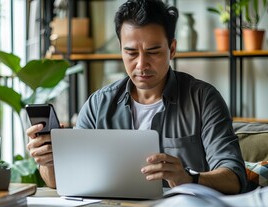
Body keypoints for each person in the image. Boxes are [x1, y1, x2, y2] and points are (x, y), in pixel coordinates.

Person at [26, 0, 247, 194]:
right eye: (131, 53)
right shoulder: (98, 104)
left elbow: (235, 178)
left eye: (153, 52)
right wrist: (48, 162)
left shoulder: (203, 99)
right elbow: (61, 181)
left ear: (172, 49)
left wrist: (188, 178)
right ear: (121, 50)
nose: (141, 65)